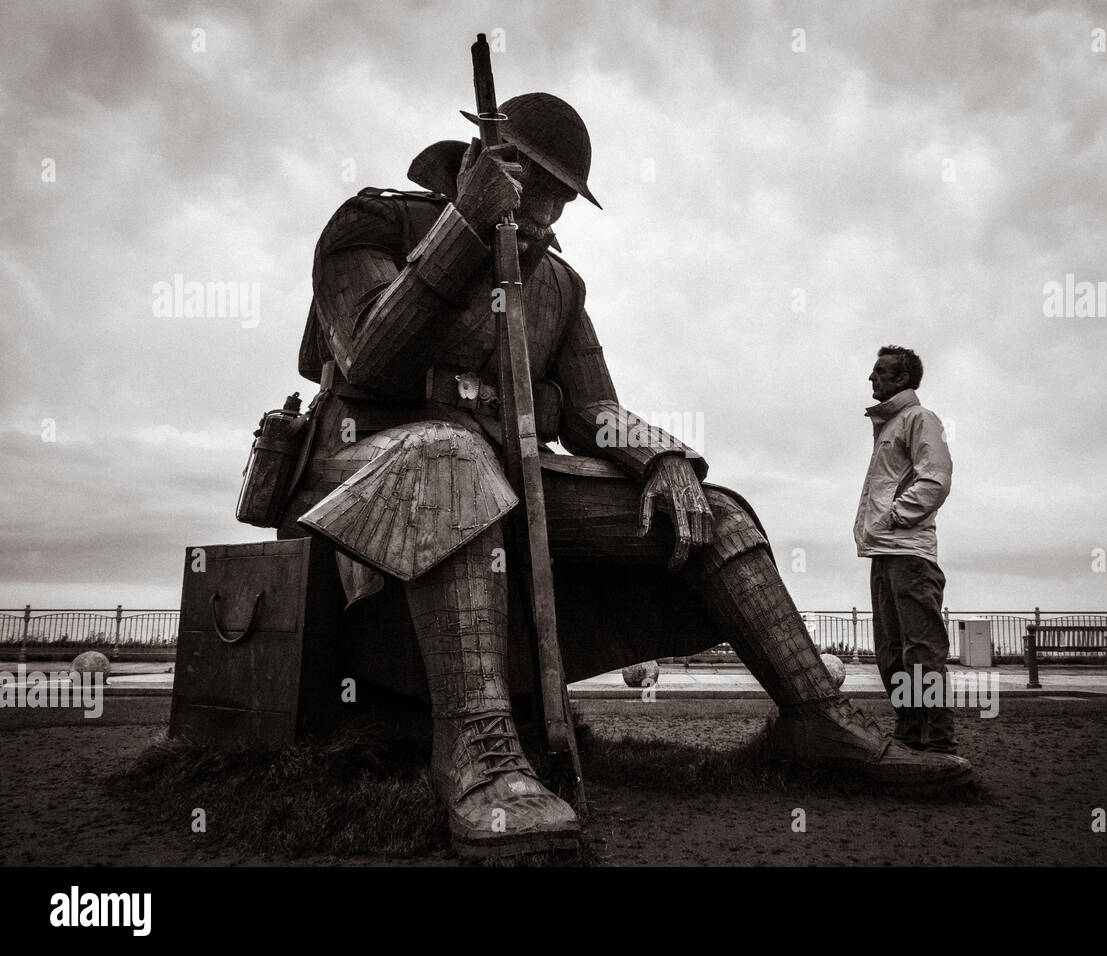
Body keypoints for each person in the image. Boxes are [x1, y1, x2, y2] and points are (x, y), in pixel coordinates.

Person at [281, 94, 971, 858]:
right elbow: (371, 357)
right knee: (450, 463)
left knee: (717, 513)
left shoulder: (558, 286)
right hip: (364, 465)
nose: (549, 216)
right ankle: (477, 753)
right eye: (534, 188)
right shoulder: (373, 223)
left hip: (501, 473)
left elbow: (596, 412)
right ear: (481, 158)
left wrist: (665, 458)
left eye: (561, 201)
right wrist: (467, 232)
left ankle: (816, 722)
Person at [855, 347, 959, 754]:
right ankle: (909, 731)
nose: (871, 378)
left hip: (909, 553)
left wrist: (895, 518)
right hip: (885, 551)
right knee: (891, 651)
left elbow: (935, 478)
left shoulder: (919, 418)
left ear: (902, 380)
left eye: (880, 372)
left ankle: (937, 738)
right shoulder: (890, 424)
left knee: (920, 649)